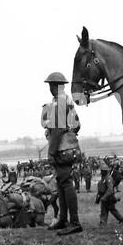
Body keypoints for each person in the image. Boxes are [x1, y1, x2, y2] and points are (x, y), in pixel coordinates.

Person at [41, 71, 83, 236]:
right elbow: (78, 125)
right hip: (68, 147)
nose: (50, 88)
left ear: (56, 86)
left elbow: (57, 130)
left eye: (52, 85)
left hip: (62, 149)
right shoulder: (67, 100)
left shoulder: (59, 102)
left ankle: (74, 222)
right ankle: (64, 220)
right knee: (61, 183)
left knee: (65, 183)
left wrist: (51, 151)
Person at [96, 162, 123, 226]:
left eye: (102, 171)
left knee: (112, 210)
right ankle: (103, 222)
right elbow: (100, 188)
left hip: (109, 198)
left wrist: (104, 197)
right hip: (104, 197)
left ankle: (121, 219)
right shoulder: (103, 178)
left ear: (105, 171)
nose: (101, 172)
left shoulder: (108, 179)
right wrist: (98, 198)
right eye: (101, 170)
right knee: (103, 210)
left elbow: (110, 190)